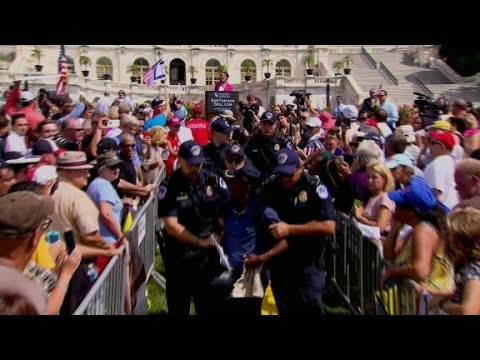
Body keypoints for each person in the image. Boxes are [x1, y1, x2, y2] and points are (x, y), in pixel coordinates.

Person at [260, 148, 336, 314]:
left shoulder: (314, 187)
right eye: (280, 175)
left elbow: (329, 227)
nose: (284, 180)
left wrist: (290, 229)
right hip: (281, 263)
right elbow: (260, 203)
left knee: (309, 306)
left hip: (308, 262)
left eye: (288, 175)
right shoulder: (272, 186)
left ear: (300, 168)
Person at [158, 140, 229, 315]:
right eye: (190, 164)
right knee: (179, 305)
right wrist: (199, 241)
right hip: (180, 255)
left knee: (208, 304)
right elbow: (171, 225)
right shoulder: (170, 186)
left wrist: (222, 230)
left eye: (198, 164)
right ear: (180, 160)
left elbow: (230, 206)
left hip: (208, 256)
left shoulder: (211, 179)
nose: (194, 168)